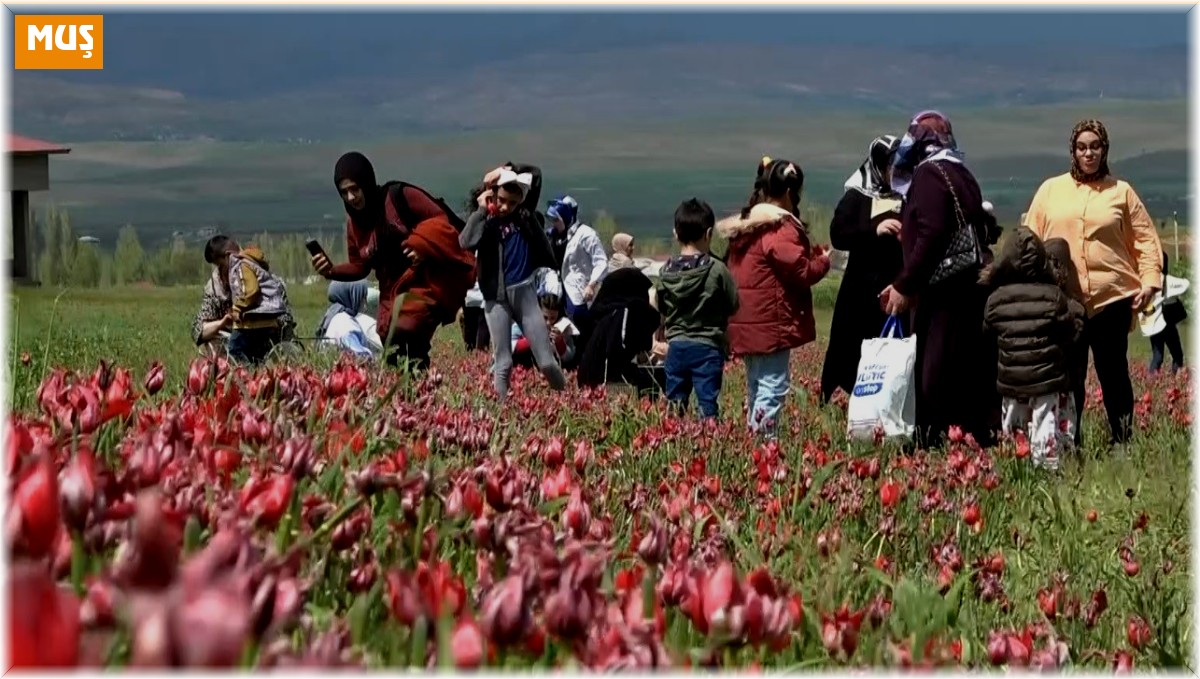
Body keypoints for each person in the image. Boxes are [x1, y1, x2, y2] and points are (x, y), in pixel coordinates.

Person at [1023, 119, 1163, 446]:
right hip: (1065, 299)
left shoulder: (1121, 192)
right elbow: (1029, 241)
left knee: (1114, 374)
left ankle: (1122, 443)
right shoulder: (1050, 190)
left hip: (1110, 297)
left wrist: (1149, 281)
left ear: (1105, 150)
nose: (1089, 153)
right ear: (1073, 151)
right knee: (1069, 377)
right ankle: (1069, 442)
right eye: (1082, 147)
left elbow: (1144, 240)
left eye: (1095, 146)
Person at [880, 110, 1000, 449]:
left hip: (942, 292)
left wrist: (906, 284)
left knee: (935, 372)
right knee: (964, 367)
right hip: (966, 288)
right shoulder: (961, 171)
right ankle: (972, 436)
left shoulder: (929, 174)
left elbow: (932, 232)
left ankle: (937, 441)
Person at [312, 152, 477, 373]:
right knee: (392, 349)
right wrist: (331, 270)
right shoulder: (354, 226)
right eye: (344, 192)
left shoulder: (399, 196)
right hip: (391, 293)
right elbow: (360, 266)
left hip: (425, 284)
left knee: (407, 329)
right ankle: (412, 395)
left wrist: (422, 246)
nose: (351, 197)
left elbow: (440, 219)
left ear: (367, 182)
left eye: (355, 189)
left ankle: (416, 390)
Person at [716, 157, 831, 438]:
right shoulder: (779, 227)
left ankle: (755, 439)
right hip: (770, 322)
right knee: (773, 385)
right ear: (791, 193)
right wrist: (823, 261)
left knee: (757, 385)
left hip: (746, 322)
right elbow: (800, 271)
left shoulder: (749, 225)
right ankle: (765, 445)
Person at [459, 165, 567, 400]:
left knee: (546, 361)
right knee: (503, 362)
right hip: (495, 298)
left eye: (512, 202)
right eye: (501, 200)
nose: (505, 207)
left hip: (525, 293)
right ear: (492, 195)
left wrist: (508, 168)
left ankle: (568, 399)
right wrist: (480, 211)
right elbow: (465, 242)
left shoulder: (524, 214)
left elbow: (536, 174)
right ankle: (501, 412)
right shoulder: (485, 220)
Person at [981, 227, 1083, 471]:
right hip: (1047, 380)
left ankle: (1016, 467)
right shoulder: (1053, 296)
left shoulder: (995, 299)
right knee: (1044, 424)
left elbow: (987, 333)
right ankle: (1048, 469)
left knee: (1014, 424)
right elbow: (1068, 332)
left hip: (1010, 381)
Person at [820, 135, 905, 403]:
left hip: (893, 286)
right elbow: (839, 234)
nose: (896, 172)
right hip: (859, 289)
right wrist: (874, 230)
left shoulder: (906, 194)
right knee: (850, 349)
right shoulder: (857, 195)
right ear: (879, 165)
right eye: (891, 165)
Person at [656, 198, 740, 420]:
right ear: (709, 233)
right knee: (707, 404)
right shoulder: (717, 270)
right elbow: (734, 304)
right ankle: (707, 443)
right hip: (708, 347)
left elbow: (661, 307)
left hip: (676, 347)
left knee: (674, 403)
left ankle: (673, 445)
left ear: (676, 233)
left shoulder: (665, 271)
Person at [192, 235, 296, 359]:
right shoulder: (215, 290)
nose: (221, 271)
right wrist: (222, 323)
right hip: (230, 345)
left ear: (228, 255)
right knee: (214, 343)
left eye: (221, 266)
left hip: (268, 344)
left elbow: (286, 322)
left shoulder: (271, 283)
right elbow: (198, 330)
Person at [577, 267, 662, 394]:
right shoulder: (622, 313)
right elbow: (617, 349)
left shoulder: (605, 313)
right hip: (603, 383)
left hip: (590, 380)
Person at [227, 245, 292, 364]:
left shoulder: (243, 264)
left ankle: (245, 378)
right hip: (269, 319)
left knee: (234, 350)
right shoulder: (259, 265)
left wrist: (237, 307)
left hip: (252, 322)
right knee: (258, 358)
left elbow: (251, 291)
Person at [316, 280, 383, 359]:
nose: (365, 304)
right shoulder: (344, 321)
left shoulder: (334, 316)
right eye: (362, 297)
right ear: (352, 297)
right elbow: (359, 356)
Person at [512, 293, 578, 369]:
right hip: (523, 370)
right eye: (545, 317)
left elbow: (569, 357)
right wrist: (532, 340)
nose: (548, 322)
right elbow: (507, 348)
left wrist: (560, 342)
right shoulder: (524, 323)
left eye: (553, 318)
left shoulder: (562, 326)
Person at [1148, 250, 1186, 374]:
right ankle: (1176, 377)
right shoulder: (1169, 281)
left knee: (1157, 356)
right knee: (1177, 354)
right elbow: (1185, 285)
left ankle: (1152, 380)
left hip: (1154, 324)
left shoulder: (1148, 283)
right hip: (1168, 324)